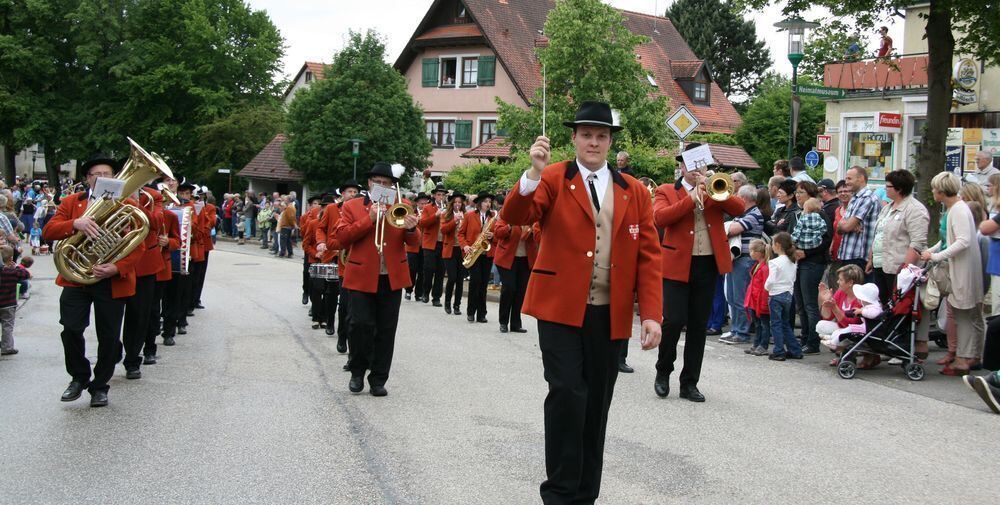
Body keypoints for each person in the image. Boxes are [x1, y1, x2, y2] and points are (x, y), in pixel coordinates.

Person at [500, 101, 661, 504]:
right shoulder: (553, 178)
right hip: (559, 308)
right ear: (573, 138)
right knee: (568, 393)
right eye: (586, 134)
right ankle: (558, 493)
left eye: (601, 135)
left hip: (610, 313)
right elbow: (516, 214)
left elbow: (649, 256)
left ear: (610, 141)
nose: (594, 142)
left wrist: (653, 315)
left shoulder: (634, 191)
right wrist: (532, 174)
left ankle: (585, 496)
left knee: (596, 407)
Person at [42, 154, 145, 407]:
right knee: (71, 329)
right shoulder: (71, 202)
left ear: (115, 178)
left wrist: (116, 267)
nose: (101, 178)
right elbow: (48, 231)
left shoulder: (128, 206)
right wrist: (74, 223)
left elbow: (138, 243)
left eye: (107, 174)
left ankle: (100, 386)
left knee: (109, 336)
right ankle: (79, 377)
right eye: (96, 175)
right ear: (88, 179)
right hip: (76, 278)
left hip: (109, 279)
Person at [655, 141, 744, 402]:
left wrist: (715, 187)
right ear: (682, 166)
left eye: (701, 164)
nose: (697, 169)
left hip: (707, 265)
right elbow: (660, 219)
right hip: (676, 266)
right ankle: (663, 371)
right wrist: (691, 199)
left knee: (698, 326)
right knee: (672, 321)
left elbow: (739, 208)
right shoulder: (665, 191)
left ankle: (689, 382)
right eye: (692, 164)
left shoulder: (715, 190)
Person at [334, 162, 419, 396]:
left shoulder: (402, 206)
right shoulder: (352, 206)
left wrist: (412, 229)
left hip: (392, 277)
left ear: (392, 185)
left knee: (386, 329)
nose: (382, 186)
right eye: (378, 182)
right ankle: (357, 371)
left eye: (387, 183)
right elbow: (342, 237)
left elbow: (414, 244)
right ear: (370, 183)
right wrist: (369, 219)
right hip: (361, 276)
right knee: (359, 325)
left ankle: (379, 378)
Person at [920, 171, 985, 376]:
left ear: (941, 191)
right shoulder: (955, 209)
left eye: (934, 189)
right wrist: (933, 250)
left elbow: (962, 241)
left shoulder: (957, 210)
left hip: (961, 270)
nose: (933, 192)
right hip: (959, 268)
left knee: (963, 314)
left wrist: (937, 256)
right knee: (965, 314)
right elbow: (949, 239)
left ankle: (963, 359)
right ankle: (970, 355)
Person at [120, 185, 167, 380]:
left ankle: (132, 360)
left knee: (139, 315)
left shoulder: (153, 196)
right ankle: (112, 350)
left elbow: (155, 223)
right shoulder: (111, 192)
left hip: (144, 265)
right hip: (112, 261)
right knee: (109, 315)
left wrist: (136, 202)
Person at [867, 170, 928, 310]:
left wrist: (905, 270)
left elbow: (917, 242)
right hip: (880, 264)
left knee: (896, 306)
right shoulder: (887, 208)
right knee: (882, 304)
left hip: (897, 268)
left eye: (888, 186)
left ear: (899, 188)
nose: (884, 189)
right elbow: (879, 234)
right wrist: (871, 258)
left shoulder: (915, 209)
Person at [718, 184, 765, 345]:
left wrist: (728, 226)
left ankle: (742, 332)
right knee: (731, 295)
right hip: (736, 259)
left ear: (743, 198)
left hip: (745, 259)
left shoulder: (754, 214)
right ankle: (735, 329)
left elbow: (733, 230)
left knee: (740, 297)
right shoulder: (743, 213)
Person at [493, 212, 537, 334]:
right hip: (506, 259)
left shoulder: (533, 217)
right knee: (509, 288)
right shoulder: (507, 214)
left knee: (521, 291)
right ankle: (503, 322)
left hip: (525, 259)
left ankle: (516, 324)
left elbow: (539, 236)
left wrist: (533, 231)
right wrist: (509, 226)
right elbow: (497, 234)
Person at [458, 191, 496, 323]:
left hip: (487, 254)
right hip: (474, 253)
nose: (488, 204)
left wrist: (493, 236)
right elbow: (461, 234)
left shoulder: (493, 217)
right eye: (485, 201)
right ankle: (470, 312)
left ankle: (481, 314)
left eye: (489, 202)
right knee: (475, 282)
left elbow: (499, 236)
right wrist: (465, 246)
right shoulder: (469, 216)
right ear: (479, 203)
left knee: (484, 284)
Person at [817, 264, 865, 363]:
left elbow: (851, 324)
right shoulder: (840, 292)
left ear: (850, 282)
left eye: (841, 280)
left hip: (858, 332)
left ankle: (849, 356)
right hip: (844, 329)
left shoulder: (860, 298)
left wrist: (834, 308)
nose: (838, 282)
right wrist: (825, 302)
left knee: (839, 333)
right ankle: (843, 355)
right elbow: (827, 317)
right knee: (821, 326)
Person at [766, 232, 802, 361]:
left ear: (777, 245)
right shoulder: (792, 261)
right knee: (785, 323)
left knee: (776, 324)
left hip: (776, 294)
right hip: (788, 293)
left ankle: (779, 350)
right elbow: (792, 278)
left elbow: (771, 280)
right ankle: (795, 349)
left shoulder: (774, 262)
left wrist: (767, 287)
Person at [837, 166, 881, 275]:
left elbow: (846, 226)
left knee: (856, 291)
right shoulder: (854, 199)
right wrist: (847, 225)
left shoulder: (867, 198)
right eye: (846, 179)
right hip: (848, 254)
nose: (846, 182)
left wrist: (847, 225)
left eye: (849, 179)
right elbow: (839, 226)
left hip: (859, 256)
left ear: (861, 178)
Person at [417, 184, 449, 305]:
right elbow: (422, 223)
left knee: (440, 272)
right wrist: (435, 216)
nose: (441, 197)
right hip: (430, 243)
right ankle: (425, 293)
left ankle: (436, 297)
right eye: (439, 195)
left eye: (443, 195)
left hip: (443, 243)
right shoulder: (428, 207)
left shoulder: (448, 208)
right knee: (429, 269)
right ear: (434, 196)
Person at [743, 239, 771, 356]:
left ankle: (763, 345)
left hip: (760, 300)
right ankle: (756, 344)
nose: (750, 253)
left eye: (751, 251)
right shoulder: (757, 265)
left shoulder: (765, 268)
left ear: (758, 252)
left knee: (764, 324)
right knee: (758, 323)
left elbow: (766, 287)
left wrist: (765, 303)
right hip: (755, 300)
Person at [440, 193, 466, 315]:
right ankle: (447, 303)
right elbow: (443, 230)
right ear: (451, 204)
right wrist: (455, 221)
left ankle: (457, 305)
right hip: (449, 249)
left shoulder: (466, 215)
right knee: (452, 278)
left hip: (461, 250)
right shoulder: (446, 214)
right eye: (455, 202)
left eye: (459, 202)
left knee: (460, 279)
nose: (457, 204)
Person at [0, 246, 28, 356]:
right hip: (8, 304)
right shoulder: (13, 271)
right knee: (7, 326)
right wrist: (16, 266)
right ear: (11, 258)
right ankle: (7, 347)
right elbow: (25, 274)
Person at [404, 192, 431, 302]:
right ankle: (408, 290)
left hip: (424, 245)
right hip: (412, 246)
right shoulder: (412, 213)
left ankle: (418, 293)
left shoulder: (429, 214)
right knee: (412, 268)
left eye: (425, 203)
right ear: (417, 204)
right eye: (421, 204)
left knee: (422, 270)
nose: (423, 206)